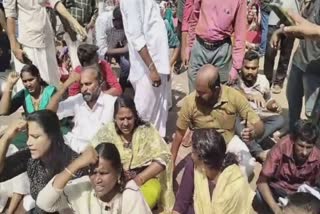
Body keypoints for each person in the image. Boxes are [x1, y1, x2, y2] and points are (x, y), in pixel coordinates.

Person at [171, 64, 264, 178]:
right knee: (199, 177)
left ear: (216, 89)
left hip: (228, 141)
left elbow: (259, 125)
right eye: (197, 91)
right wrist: (172, 164)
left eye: (202, 93)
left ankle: (230, 191)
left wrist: (253, 132)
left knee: (248, 166)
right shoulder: (190, 102)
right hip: (204, 145)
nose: (197, 95)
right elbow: (179, 134)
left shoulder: (234, 96)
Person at [91, 96, 174, 212]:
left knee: (142, 200)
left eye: (129, 118)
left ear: (135, 116)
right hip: (114, 183)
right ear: (115, 118)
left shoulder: (146, 131)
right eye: (121, 119)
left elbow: (164, 156)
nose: (125, 123)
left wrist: (139, 179)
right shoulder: (107, 133)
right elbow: (92, 154)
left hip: (144, 181)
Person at [0, 110, 86, 213]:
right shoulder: (31, 158)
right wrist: (6, 138)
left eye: (35, 137)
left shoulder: (74, 165)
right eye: (28, 136)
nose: (28, 142)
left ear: (52, 136)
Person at [36, 143, 152, 214]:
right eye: (93, 172)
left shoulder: (129, 194)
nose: (97, 179)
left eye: (103, 173)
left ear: (117, 173)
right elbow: (44, 203)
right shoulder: (83, 187)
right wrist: (76, 164)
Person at [3, 0, 87, 90]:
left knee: (52, 82)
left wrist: (74, 22)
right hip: (28, 43)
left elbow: (55, 3)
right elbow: (10, 16)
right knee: (31, 83)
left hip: (47, 40)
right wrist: (14, 47)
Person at [173, 128, 255, 214]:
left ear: (203, 160)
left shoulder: (236, 184)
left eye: (193, 152)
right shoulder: (193, 166)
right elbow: (182, 201)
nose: (191, 155)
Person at [120, 0, 170, 137]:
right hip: (147, 69)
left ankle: (155, 145)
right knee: (143, 114)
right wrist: (151, 68)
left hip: (158, 64)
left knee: (158, 112)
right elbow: (136, 37)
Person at [271, 0, 320, 133]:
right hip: (300, 60)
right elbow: (303, 28)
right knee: (293, 99)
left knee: (313, 113)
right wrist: (281, 31)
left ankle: (310, 144)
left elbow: (312, 30)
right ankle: (293, 131)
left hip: (315, 68)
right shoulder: (311, 3)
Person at [254, 120, 320, 213]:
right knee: (259, 196)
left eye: (309, 147)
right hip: (277, 189)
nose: (304, 152)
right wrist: (275, 209)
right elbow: (261, 181)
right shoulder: (281, 147)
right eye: (301, 146)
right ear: (293, 140)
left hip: (299, 195)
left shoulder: (317, 157)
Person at [47, 66, 116, 153]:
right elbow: (48, 113)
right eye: (81, 85)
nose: (83, 89)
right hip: (73, 151)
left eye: (88, 84)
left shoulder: (112, 103)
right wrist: (66, 84)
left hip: (99, 154)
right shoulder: (77, 100)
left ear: (100, 83)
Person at [181, 0, 247, 91]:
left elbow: (240, 33)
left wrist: (236, 67)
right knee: (195, 89)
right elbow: (194, 18)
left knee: (220, 91)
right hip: (199, 46)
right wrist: (190, 46)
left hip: (222, 50)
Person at [235, 51, 284, 161]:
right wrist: (251, 96)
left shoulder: (263, 80)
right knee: (233, 118)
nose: (250, 72)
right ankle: (258, 151)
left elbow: (268, 100)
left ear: (258, 67)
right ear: (241, 67)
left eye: (253, 68)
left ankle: (251, 141)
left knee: (279, 119)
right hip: (242, 119)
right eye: (247, 68)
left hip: (258, 119)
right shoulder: (235, 78)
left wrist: (274, 105)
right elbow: (232, 92)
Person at [263, 0, 299, 94]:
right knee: (269, 52)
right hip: (274, 18)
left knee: (285, 53)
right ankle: (267, 80)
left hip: (292, 19)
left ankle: (279, 81)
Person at [95, 6, 130, 91]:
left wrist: (125, 45)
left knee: (126, 65)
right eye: (121, 24)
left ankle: (121, 89)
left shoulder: (125, 20)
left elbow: (125, 39)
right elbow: (101, 49)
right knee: (102, 70)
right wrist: (124, 49)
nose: (122, 26)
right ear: (115, 20)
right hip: (103, 50)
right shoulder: (103, 21)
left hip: (117, 46)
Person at [60, 0, 98, 69]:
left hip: (86, 29)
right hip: (71, 31)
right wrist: (69, 29)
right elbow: (60, 10)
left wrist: (89, 26)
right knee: (76, 62)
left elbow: (95, 11)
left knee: (89, 60)